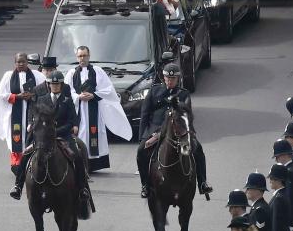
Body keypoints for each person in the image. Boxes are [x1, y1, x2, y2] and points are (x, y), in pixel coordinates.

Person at [10, 71, 92, 206]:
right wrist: (31, 123)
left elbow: (71, 120)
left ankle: (82, 188)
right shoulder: (41, 99)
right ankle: (18, 186)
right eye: (52, 84)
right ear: (48, 85)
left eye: (57, 84)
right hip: (44, 135)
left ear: (61, 85)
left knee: (77, 155)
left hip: (62, 135)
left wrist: (59, 130)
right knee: (25, 154)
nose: (55, 86)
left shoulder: (66, 100)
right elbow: (32, 111)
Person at [137, 63, 213, 198]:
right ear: (163, 77)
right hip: (155, 128)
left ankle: (202, 182)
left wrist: (190, 133)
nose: (170, 81)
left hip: (178, 129)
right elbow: (145, 114)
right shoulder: (154, 91)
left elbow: (187, 115)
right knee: (141, 151)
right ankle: (145, 185)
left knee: (197, 149)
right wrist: (143, 137)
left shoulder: (183, 94)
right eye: (167, 78)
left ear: (178, 79)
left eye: (173, 79)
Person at [67, 46, 133, 173]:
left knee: (94, 134)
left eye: (84, 55)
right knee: (81, 134)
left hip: (94, 110)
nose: (82, 58)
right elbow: (67, 91)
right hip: (79, 110)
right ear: (77, 57)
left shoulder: (98, 71)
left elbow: (108, 90)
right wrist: (78, 96)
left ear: (89, 56)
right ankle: (81, 163)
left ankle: (93, 164)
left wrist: (94, 95)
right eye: (80, 56)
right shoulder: (71, 73)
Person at [0, 53, 46, 177]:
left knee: (32, 135)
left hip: (32, 112)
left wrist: (33, 95)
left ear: (27, 62)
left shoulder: (37, 75)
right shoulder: (8, 76)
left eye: (23, 62)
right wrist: (17, 96)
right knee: (16, 139)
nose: (21, 64)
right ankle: (17, 164)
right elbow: (0, 96)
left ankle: (32, 162)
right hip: (15, 114)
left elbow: (45, 91)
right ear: (15, 63)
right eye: (18, 62)